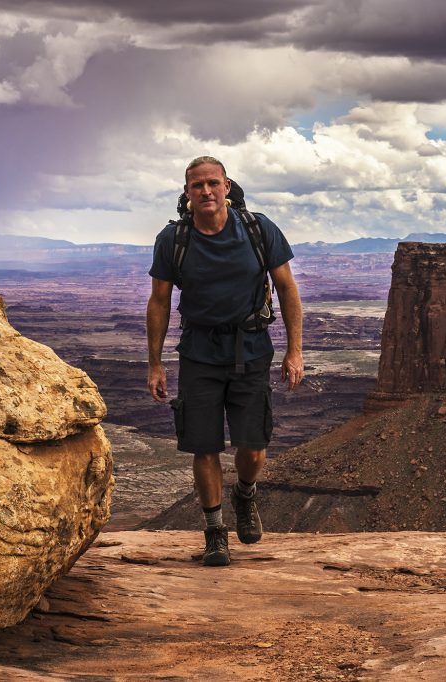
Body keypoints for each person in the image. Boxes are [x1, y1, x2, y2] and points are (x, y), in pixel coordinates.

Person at [147, 156, 304, 566]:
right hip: (199, 353)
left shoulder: (258, 229)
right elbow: (159, 301)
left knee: (253, 447)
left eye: (212, 183)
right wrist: (155, 363)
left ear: (227, 186)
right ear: (187, 193)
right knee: (205, 445)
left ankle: (246, 493)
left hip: (251, 349)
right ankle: (215, 531)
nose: (206, 191)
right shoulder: (173, 239)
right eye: (197, 186)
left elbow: (287, 288)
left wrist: (295, 350)